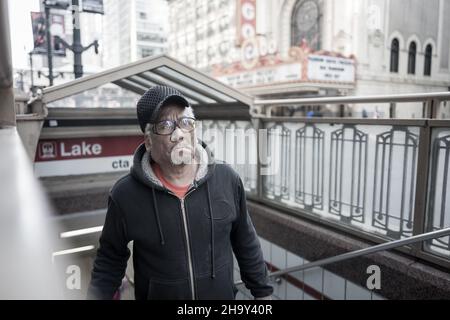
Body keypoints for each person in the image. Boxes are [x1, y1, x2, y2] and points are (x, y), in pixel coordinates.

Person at [87, 85, 273, 300]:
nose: (178, 134)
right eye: (165, 125)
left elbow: (245, 240)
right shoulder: (126, 194)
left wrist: (263, 293)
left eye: (185, 122)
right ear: (148, 142)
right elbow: (109, 260)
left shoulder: (227, 179)